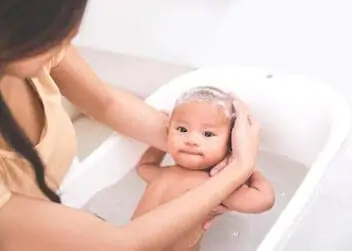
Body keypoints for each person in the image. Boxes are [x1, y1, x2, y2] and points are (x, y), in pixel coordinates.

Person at [0, 1, 261, 250]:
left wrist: (192, 138)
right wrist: (239, 170)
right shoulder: (33, 40)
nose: (76, 31)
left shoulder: (34, 45)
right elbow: (121, 245)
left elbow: (107, 103)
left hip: (61, 200)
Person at [131, 86, 274, 251]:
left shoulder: (203, 182)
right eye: (182, 129)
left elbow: (143, 166)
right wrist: (250, 167)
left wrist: (162, 144)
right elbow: (263, 200)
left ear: (230, 143)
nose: (191, 140)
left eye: (207, 134)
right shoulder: (212, 186)